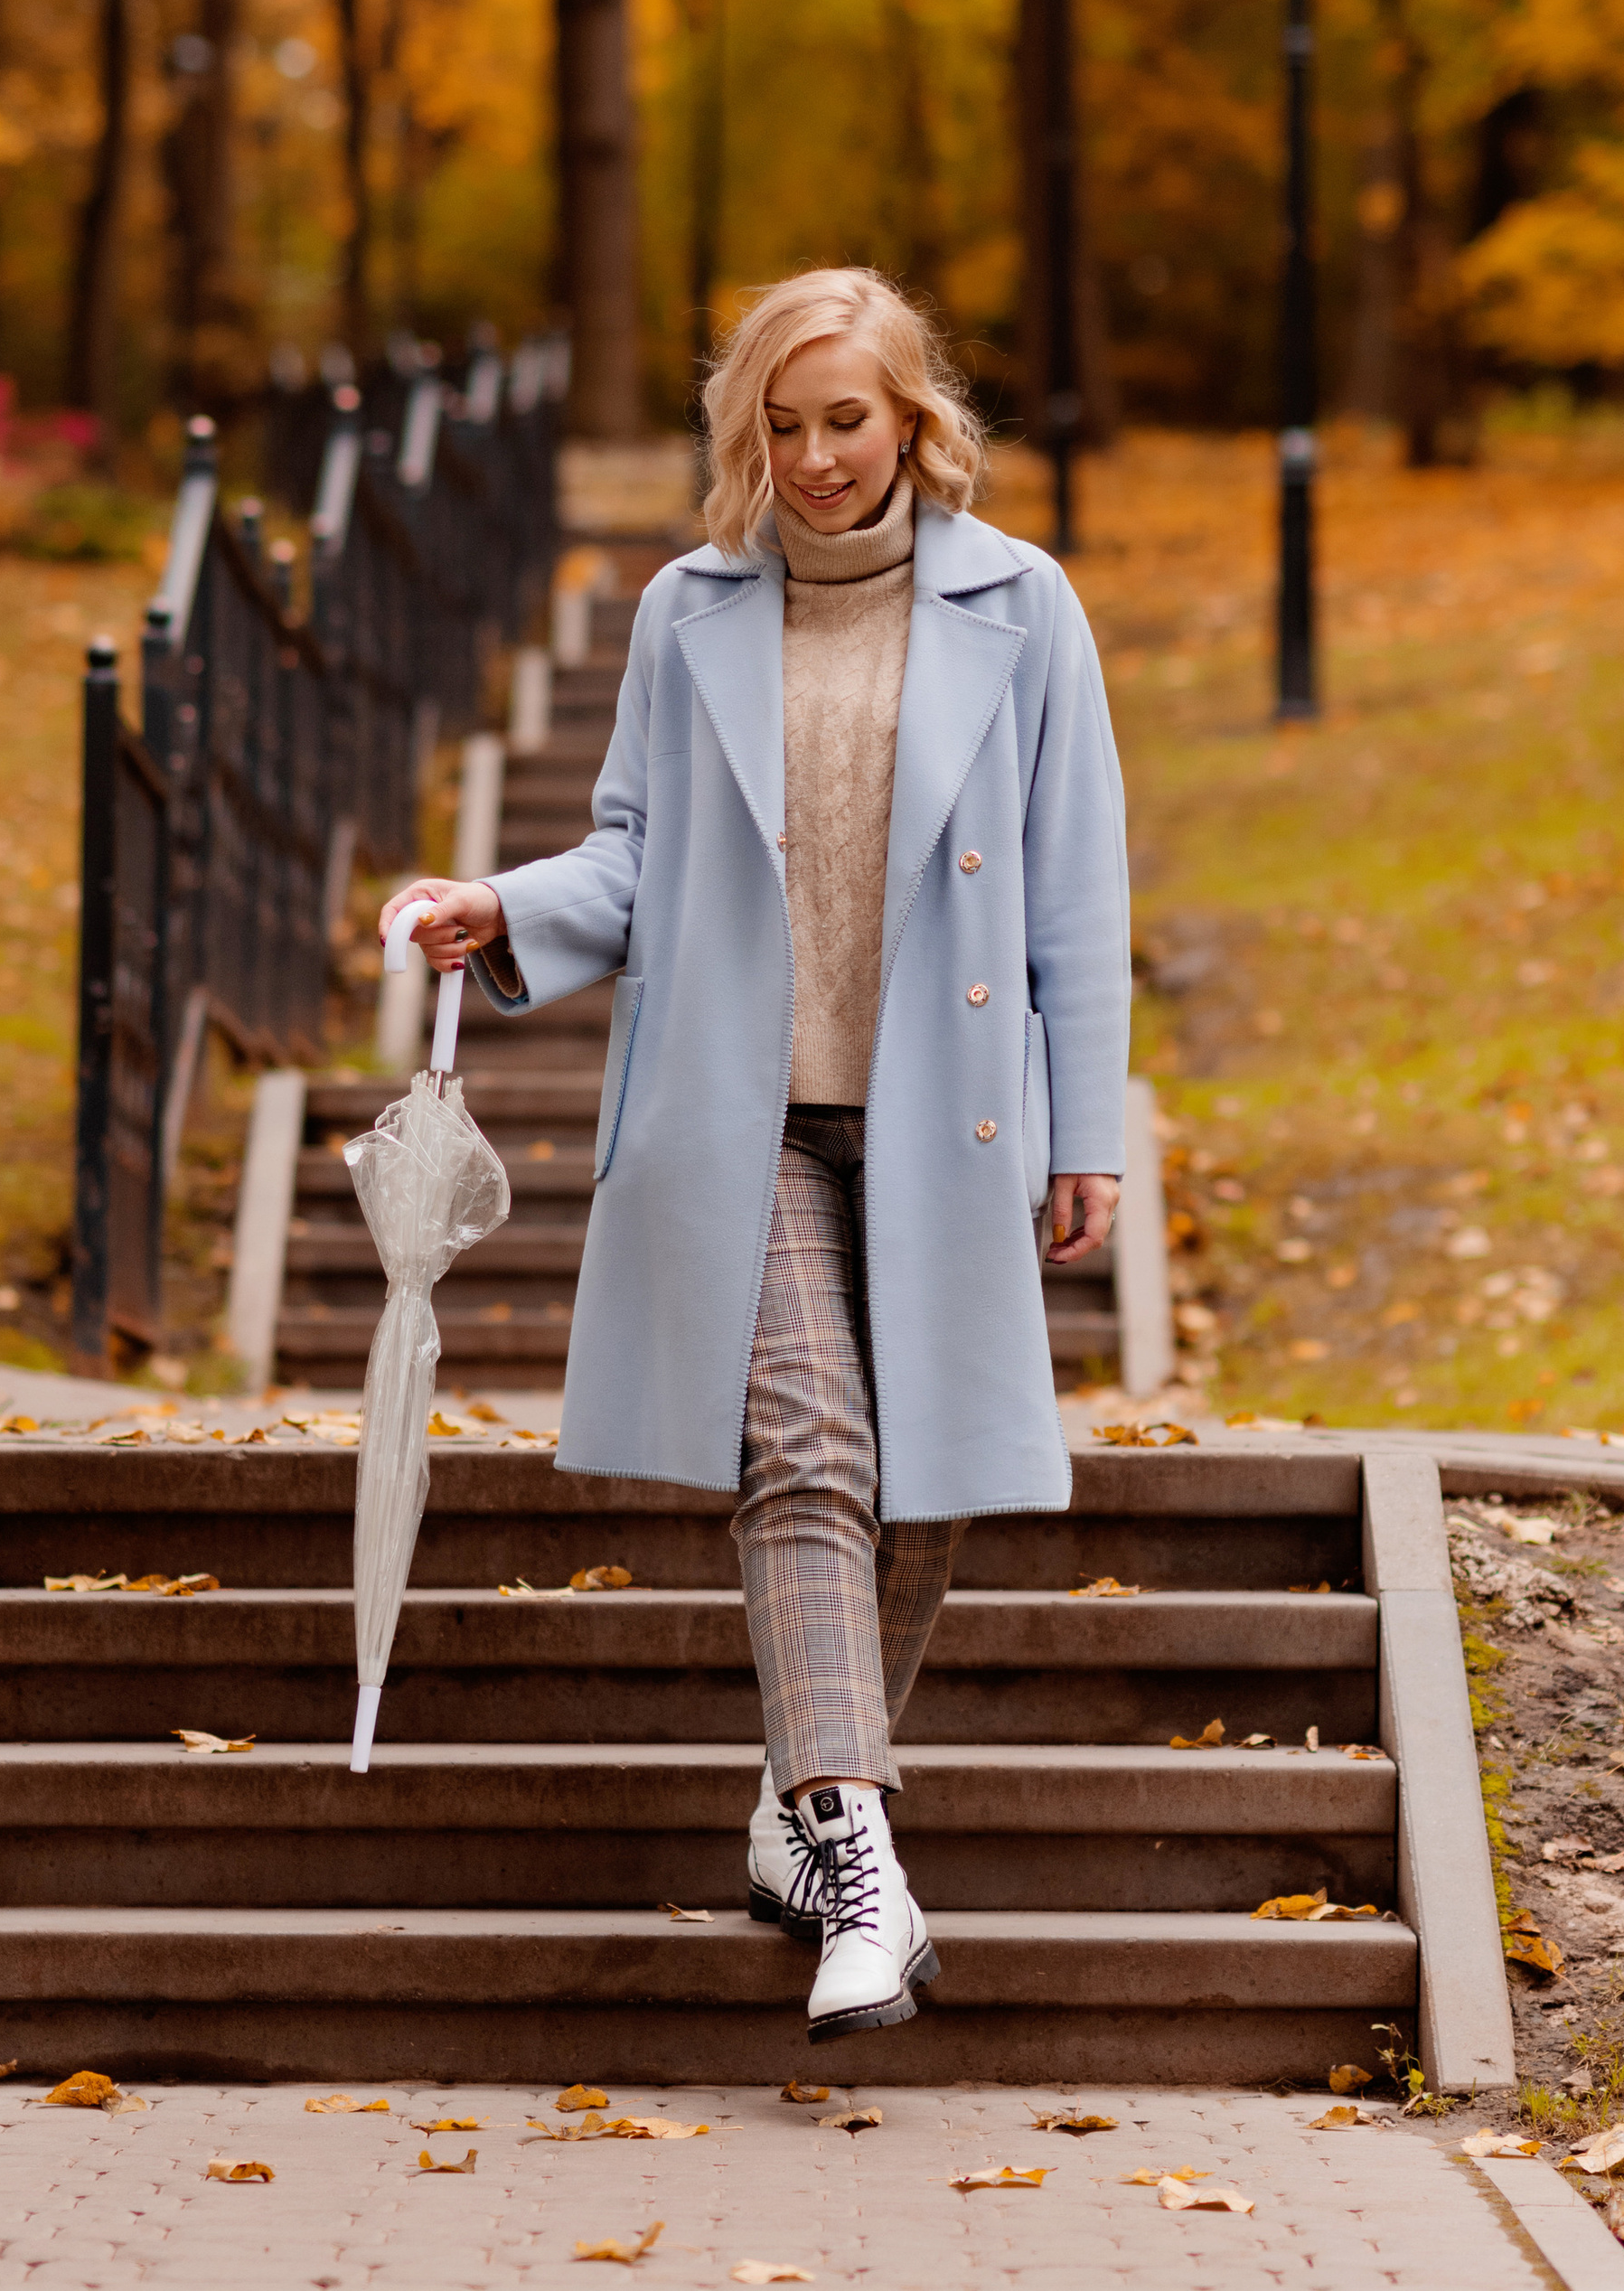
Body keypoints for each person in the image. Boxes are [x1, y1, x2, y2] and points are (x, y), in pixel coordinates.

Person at [380, 265, 1130, 2045]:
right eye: (778, 428)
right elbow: (630, 859)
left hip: (947, 1115)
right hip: (747, 1114)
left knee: (924, 1484)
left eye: (842, 422)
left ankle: (796, 1808)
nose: (811, 460)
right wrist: (498, 903)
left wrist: (1083, 1124)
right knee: (808, 1449)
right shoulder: (687, 610)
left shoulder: (1024, 606)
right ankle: (860, 1858)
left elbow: (1074, 888)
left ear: (909, 419)